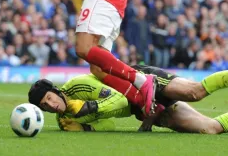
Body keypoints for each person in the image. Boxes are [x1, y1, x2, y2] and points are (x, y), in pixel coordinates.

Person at [28, 68, 228, 134]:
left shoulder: (77, 85)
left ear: (55, 90)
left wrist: (88, 107)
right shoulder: (66, 120)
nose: (51, 105)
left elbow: (121, 100)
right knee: (209, 129)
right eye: (45, 106)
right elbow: (110, 123)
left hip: (145, 81)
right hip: (142, 109)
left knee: (195, 92)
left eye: (49, 98)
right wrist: (87, 128)